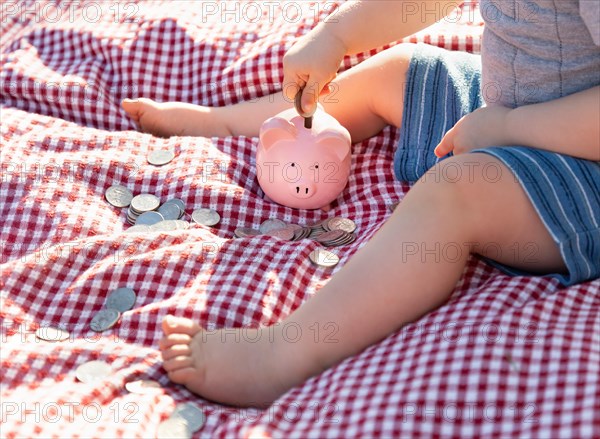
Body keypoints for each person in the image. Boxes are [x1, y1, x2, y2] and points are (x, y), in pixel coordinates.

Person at [122, 0, 600, 407]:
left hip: (584, 168)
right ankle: (224, 124)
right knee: (398, 70)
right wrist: (337, 34)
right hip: (513, 109)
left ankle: (285, 354)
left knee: (457, 187)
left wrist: (509, 130)